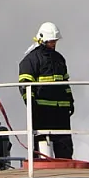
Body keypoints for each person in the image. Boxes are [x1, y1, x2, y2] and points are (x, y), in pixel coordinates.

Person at [17, 22, 75, 159]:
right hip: (42, 111)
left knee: (65, 147)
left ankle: (66, 172)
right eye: (51, 41)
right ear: (42, 39)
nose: (54, 44)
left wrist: (70, 101)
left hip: (61, 112)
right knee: (42, 146)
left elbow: (65, 84)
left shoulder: (59, 59)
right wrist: (31, 105)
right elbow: (25, 85)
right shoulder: (31, 60)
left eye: (55, 41)